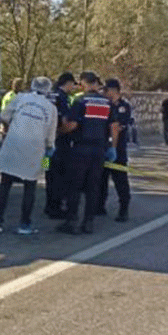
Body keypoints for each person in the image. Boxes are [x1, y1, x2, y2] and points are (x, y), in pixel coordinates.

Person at [0, 77, 59, 235]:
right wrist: (47, 158)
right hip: (35, 150)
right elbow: (50, 135)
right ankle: (24, 224)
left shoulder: (20, 98)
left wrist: (12, 127)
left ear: (32, 86)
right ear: (48, 90)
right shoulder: (50, 108)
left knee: (5, 185)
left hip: (13, 144)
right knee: (30, 187)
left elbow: (4, 117)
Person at [56, 72, 119, 235]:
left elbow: (72, 125)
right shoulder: (107, 103)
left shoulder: (80, 100)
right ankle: (88, 222)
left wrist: (58, 133)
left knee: (75, 185)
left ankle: (71, 221)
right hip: (99, 150)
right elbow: (114, 127)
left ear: (84, 83)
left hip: (80, 149)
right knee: (93, 186)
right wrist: (113, 147)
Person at [44, 72, 78, 220]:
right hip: (60, 145)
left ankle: (48, 205)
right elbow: (64, 121)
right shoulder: (62, 98)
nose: (73, 87)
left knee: (48, 173)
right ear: (68, 83)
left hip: (44, 145)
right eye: (73, 84)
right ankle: (56, 208)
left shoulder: (49, 95)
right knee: (60, 177)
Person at [100, 78, 134, 222]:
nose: (104, 93)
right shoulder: (104, 105)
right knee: (101, 179)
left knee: (120, 180)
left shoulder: (123, 106)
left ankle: (123, 209)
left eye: (106, 90)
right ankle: (99, 206)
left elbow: (119, 126)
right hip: (103, 147)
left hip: (118, 149)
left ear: (114, 91)